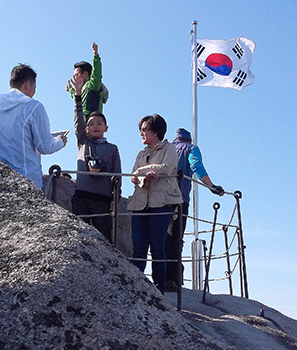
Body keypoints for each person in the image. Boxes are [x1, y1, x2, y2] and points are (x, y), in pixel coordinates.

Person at [0, 63, 67, 188]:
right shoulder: (33, 107)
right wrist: (60, 141)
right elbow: (45, 146)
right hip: (26, 180)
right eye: (35, 87)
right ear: (28, 84)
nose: (34, 91)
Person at [164, 128, 225, 292]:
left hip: (160, 199)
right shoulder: (191, 149)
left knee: (163, 237)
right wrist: (211, 186)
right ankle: (173, 278)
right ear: (189, 140)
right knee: (176, 237)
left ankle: (161, 276)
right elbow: (196, 165)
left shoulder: (166, 148)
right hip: (180, 198)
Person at [127, 114, 183, 293]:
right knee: (139, 248)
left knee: (158, 247)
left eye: (144, 129)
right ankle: (136, 288)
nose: (141, 133)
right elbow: (133, 175)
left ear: (156, 131)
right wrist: (144, 176)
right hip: (140, 203)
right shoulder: (141, 153)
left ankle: (159, 290)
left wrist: (143, 170)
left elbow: (166, 167)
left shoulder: (170, 148)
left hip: (162, 203)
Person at [70, 71, 121, 243]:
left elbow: (117, 176)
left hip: (103, 200)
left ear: (106, 128)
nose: (95, 126)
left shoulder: (112, 149)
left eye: (99, 123)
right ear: (86, 129)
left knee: (104, 240)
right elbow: (78, 120)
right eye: (91, 124)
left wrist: (115, 199)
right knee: (79, 239)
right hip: (82, 197)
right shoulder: (83, 142)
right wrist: (78, 95)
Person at [66, 42, 108, 119]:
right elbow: (76, 97)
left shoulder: (92, 85)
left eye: (77, 75)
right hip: (82, 123)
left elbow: (96, 75)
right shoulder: (81, 90)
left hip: (93, 122)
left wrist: (96, 56)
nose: (75, 78)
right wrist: (71, 90)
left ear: (85, 74)